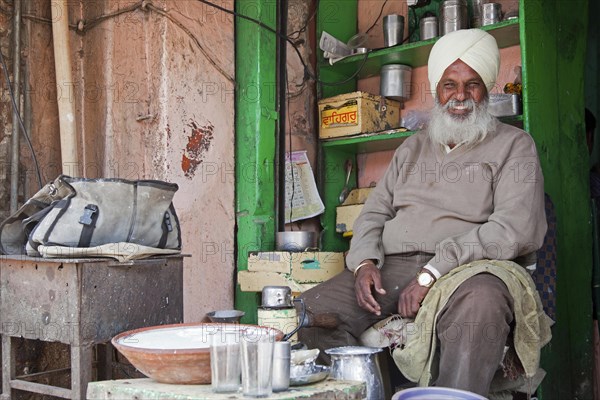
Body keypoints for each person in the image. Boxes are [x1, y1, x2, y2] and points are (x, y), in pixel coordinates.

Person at [299, 28, 549, 397]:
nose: (460, 96)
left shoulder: (514, 145)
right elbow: (373, 214)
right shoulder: (412, 147)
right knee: (312, 309)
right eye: (449, 85)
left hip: (469, 269)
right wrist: (366, 262)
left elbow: (515, 228)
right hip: (394, 267)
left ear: (487, 88)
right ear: (436, 89)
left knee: (481, 304)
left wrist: (433, 272)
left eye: (472, 84)